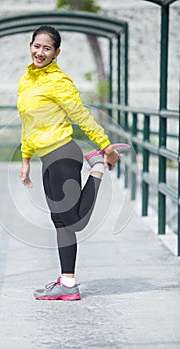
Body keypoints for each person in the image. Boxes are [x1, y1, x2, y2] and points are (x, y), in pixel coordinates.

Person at [17, 25, 130, 301]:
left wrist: (104, 146)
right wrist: (25, 158)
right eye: (36, 46)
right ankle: (68, 283)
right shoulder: (26, 81)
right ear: (30, 45)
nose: (40, 52)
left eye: (47, 48)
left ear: (56, 52)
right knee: (60, 222)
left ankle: (98, 168)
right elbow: (29, 124)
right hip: (47, 158)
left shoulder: (59, 81)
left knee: (75, 222)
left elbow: (82, 116)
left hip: (64, 154)